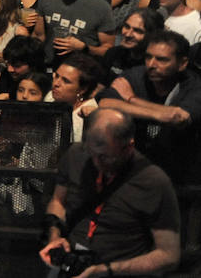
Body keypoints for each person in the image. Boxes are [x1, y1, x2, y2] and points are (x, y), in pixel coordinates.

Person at [38, 109, 181, 277]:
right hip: (71, 265)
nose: (98, 163)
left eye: (106, 157)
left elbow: (169, 256)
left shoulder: (153, 181)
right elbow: (58, 201)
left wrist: (106, 271)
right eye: (92, 154)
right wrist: (55, 237)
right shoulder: (76, 155)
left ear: (129, 147)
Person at [99, 31, 201, 183]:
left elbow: (180, 118)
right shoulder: (134, 75)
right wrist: (161, 114)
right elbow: (105, 103)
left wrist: (131, 99)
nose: (151, 65)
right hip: (132, 168)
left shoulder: (194, 85)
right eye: (148, 57)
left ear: (182, 64)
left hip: (179, 173)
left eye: (161, 60)